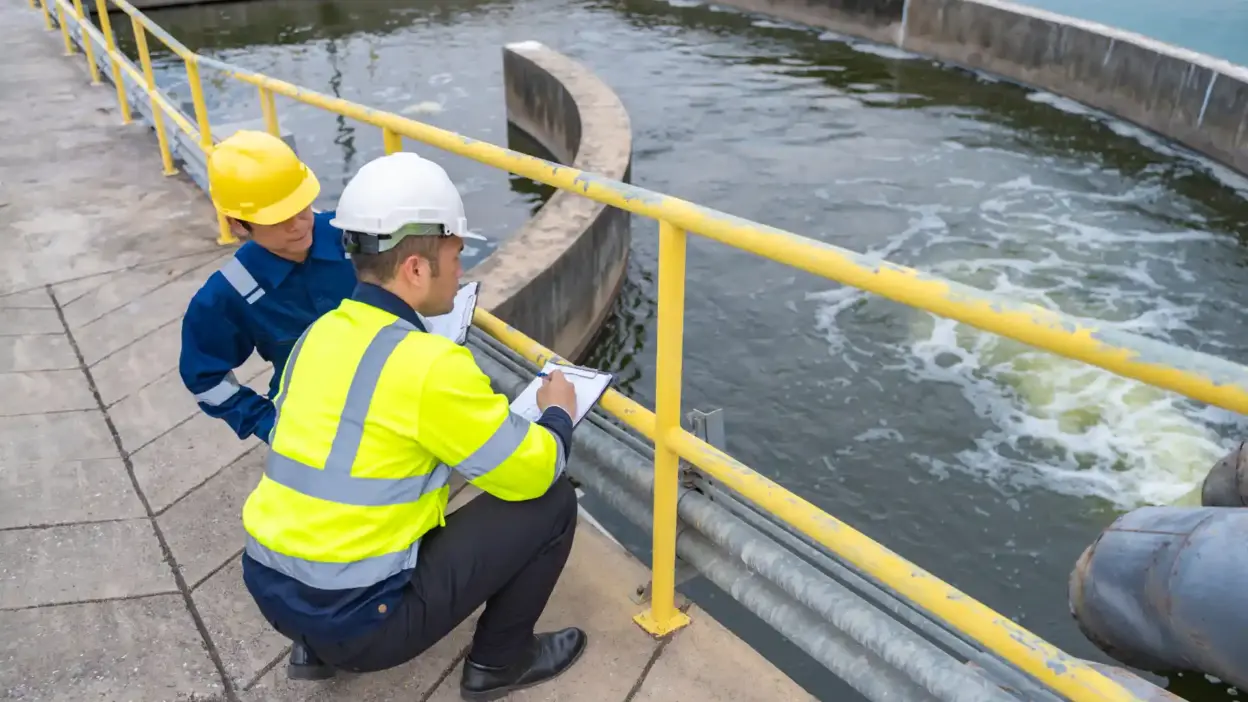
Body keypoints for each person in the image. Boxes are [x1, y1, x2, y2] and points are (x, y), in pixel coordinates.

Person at [238, 150, 587, 699]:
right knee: (553, 500)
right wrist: (558, 413)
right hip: (361, 624)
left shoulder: (318, 334)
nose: (462, 269)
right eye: (456, 254)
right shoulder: (430, 364)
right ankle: (499, 662)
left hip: (271, 590)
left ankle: (314, 647)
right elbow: (533, 471)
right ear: (417, 269)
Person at [179, 130, 357, 445]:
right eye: (278, 218)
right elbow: (205, 377)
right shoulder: (229, 294)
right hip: (313, 424)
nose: (298, 224)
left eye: (301, 207)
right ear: (236, 223)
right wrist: (270, 426)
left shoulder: (356, 237)